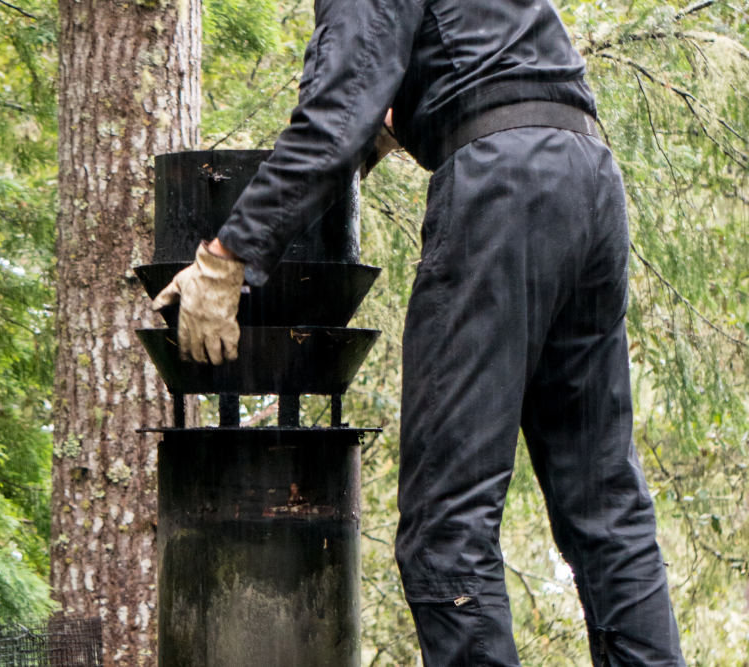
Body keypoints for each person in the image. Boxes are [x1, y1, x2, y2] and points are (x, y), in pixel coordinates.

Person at [150, 0, 686, 664]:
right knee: (608, 511)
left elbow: (337, 114)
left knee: (446, 528)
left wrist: (226, 258)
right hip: (587, 174)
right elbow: (448, 66)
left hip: (502, 189)